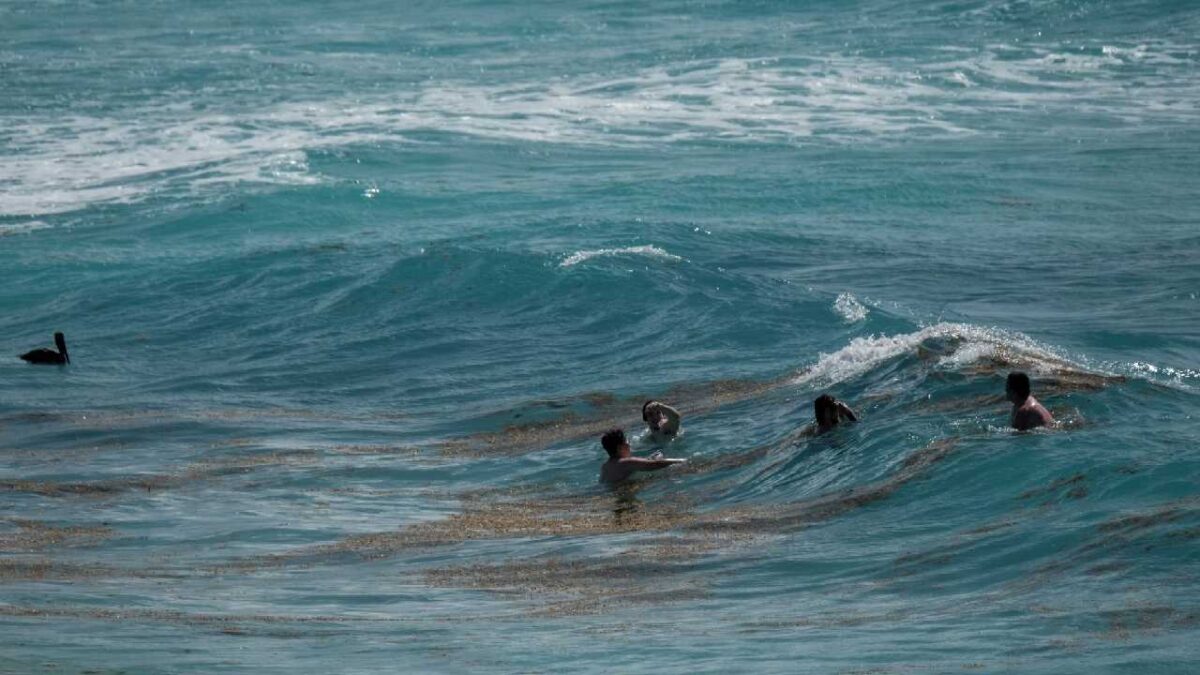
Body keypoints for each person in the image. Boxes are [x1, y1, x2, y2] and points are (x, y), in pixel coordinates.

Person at [599, 429, 685, 484]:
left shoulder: (605, 466)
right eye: (627, 442)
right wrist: (682, 460)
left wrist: (649, 459)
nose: (629, 444)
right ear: (620, 447)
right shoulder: (626, 462)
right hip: (624, 494)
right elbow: (655, 465)